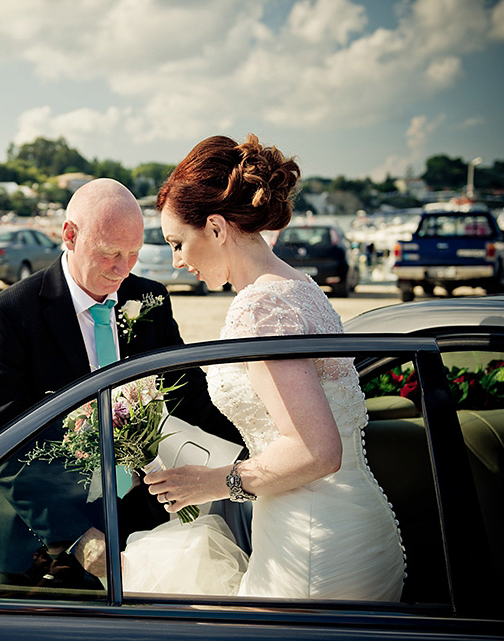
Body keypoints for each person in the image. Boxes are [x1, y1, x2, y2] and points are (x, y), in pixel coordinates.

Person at [129, 134, 405, 600]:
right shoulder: (301, 288)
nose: (177, 262)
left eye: (178, 243)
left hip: (313, 547)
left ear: (216, 228)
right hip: (349, 525)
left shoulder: (260, 309)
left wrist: (214, 483)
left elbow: (317, 452)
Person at [0, 178, 243, 584]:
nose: (122, 268)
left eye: (133, 254)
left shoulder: (149, 300)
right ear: (69, 235)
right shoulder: (10, 316)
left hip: (139, 522)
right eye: (109, 253)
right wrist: (79, 539)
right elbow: (3, 448)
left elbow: (191, 397)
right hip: (36, 544)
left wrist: (260, 456)